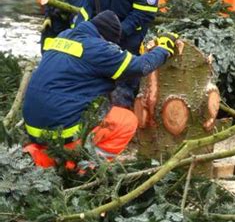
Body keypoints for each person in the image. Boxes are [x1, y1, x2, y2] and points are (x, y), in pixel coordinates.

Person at [23, 10, 178, 168]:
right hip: (64, 132)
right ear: (105, 38)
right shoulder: (98, 48)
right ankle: (82, 166)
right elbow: (139, 67)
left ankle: (41, 156)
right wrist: (164, 49)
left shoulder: (64, 36)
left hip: (33, 129)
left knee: (93, 102)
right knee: (126, 121)